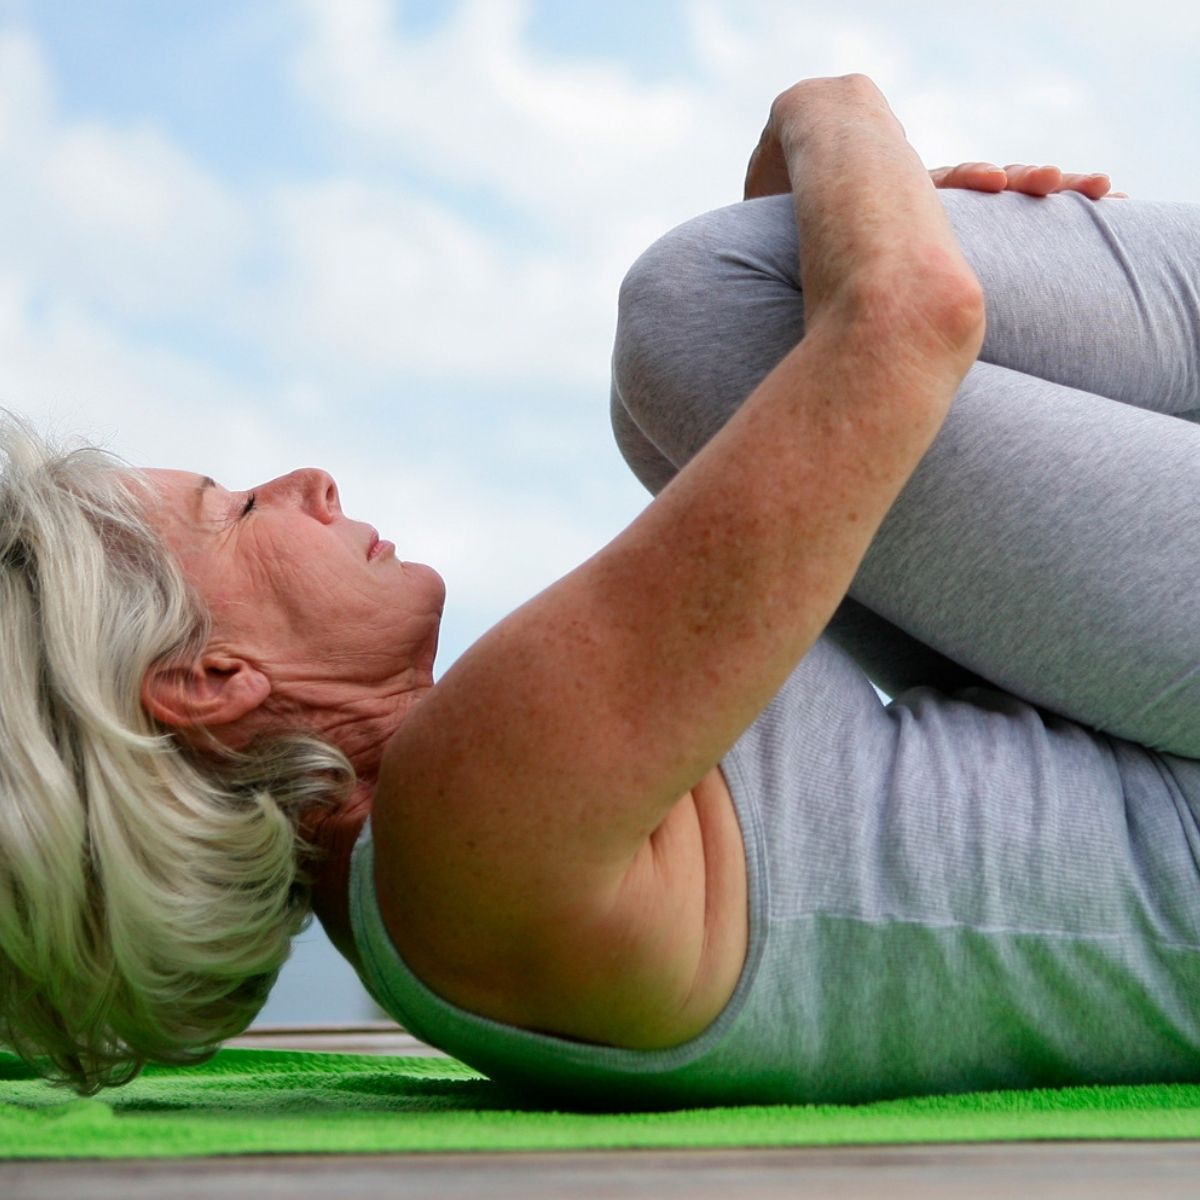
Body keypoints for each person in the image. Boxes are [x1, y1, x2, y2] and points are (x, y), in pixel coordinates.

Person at [3, 75, 1199, 1107]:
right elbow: (913, 317)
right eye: (237, 509)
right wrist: (825, 113)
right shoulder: (464, 818)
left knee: (724, 347)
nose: (306, 481)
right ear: (210, 679)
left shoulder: (428, 908)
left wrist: (852, 228)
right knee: (700, 307)